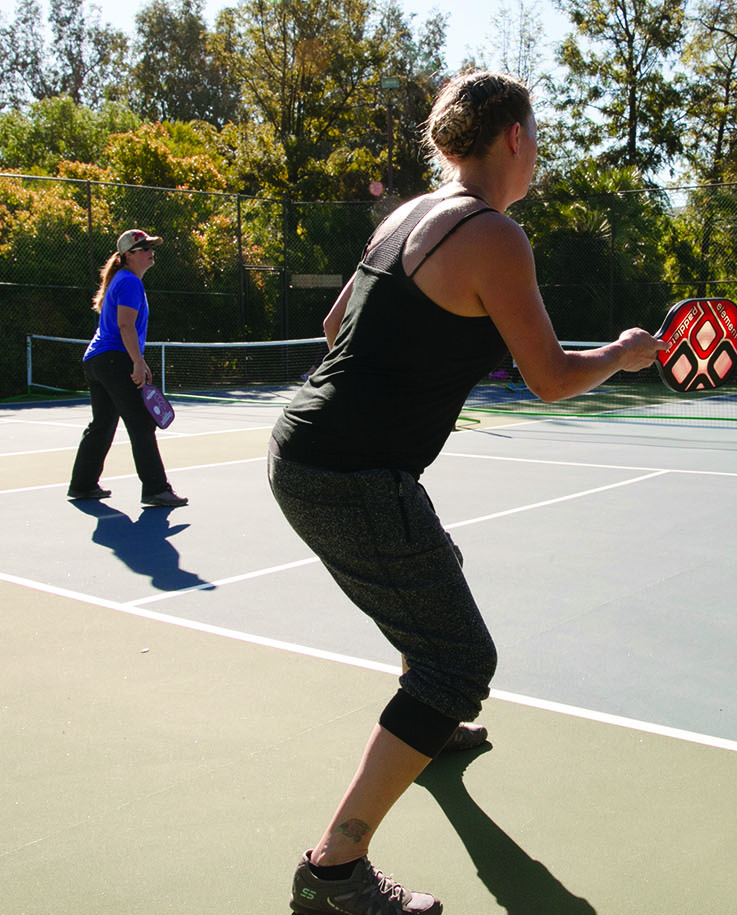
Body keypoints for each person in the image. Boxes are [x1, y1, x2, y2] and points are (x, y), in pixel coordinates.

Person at [267, 70, 663, 915]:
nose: (539, 150)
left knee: (433, 565)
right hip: (351, 471)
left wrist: (433, 345)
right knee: (461, 661)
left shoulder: (408, 213)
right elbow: (552, 378)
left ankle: (433, 727)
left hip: (310, 446)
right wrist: (625, 354)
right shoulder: (496, 235)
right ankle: (332, 870)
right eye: (538, 134)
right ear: (513, 136)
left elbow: (338, 326)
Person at [68, 229, 187, 507]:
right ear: (129, 256)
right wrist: (137, 361)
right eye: (144, 248)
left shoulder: (121, 280)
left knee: (102, 424)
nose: (150, 252)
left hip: (97, 360)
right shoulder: (130, 283)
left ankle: (83, 485)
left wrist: (135, 358)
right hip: (114, 359)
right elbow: (125, 325)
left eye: (150, 247)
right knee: (142, 422)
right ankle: (156, 489)